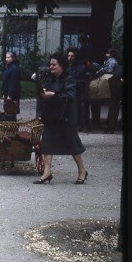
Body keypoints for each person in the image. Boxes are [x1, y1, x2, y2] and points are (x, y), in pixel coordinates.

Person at [35, 52, 88, 185]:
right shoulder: (51, 79)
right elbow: (47, 94)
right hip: (52, 117)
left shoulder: (69, 79)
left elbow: (71, 95)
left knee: (72, 144)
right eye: (50, 64)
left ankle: (82, 170)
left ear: (62, 66)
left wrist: (54, 95)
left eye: (54, 65)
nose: (51, 67)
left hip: (66, 117)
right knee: (47, 143)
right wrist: (44, 94)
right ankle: (47, 172)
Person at [66, 47, 87, 131]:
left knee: (78, 109)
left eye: (72, 56)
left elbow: (83, 82)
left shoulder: (81, 68)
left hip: (78, 92)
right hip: (70, 92)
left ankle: (80, 124)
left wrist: (71, 82)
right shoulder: (67, 68)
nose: (70, 58)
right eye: (68, 56)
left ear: (76, 57)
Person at [1, 51, 21, 115]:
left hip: (12, 95)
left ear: (13, 58)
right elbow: (6, 81)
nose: (6, 59)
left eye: (8, 57)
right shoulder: (8, 67)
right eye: (6, 57)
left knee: (11, 112)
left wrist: (10, 95)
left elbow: (14, 83)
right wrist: (4, 93)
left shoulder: (14, 68)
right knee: (7, 112)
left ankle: (13, 125)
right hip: (7, 93)